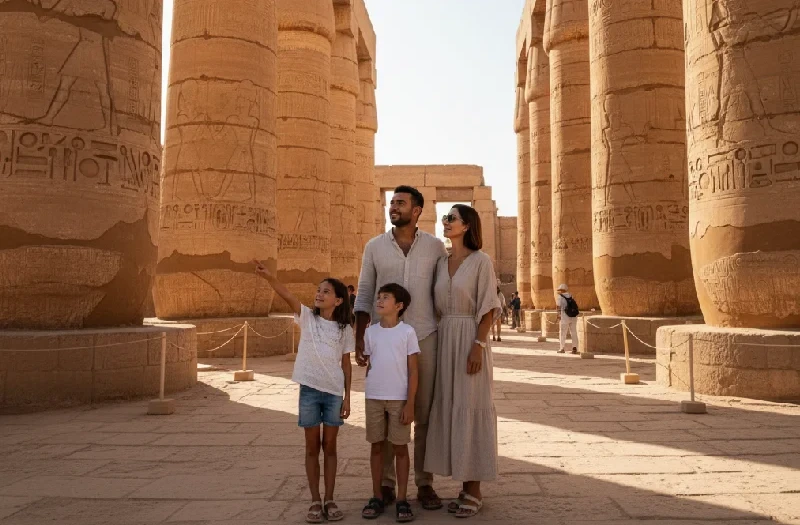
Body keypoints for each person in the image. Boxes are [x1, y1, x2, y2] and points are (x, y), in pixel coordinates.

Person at [354, 185, 448, 510]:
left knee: (423, 414)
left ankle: (424, 483)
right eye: (391, 202)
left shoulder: (436, 247)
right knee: (387, 410)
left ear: (417, 210)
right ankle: (386, 486)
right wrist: (359, 338)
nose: (393, 207)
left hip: (425, 337)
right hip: (386, 341)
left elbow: (443, 294)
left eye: (400, 203)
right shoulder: (374, 247)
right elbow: (365, 291)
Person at [253, 260, 352, 524]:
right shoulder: (307, 318)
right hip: (309, 390)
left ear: (339, 301)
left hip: (332, 393)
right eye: (318, 290)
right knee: (311, 448)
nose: (319, 294)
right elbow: (287, 295)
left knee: (330, 447)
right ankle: (314, 500)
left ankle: (330, 499)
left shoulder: (344, 329)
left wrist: (348, 397)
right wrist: (270, 278)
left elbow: (346, 364)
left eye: (326, 291)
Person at [425, 204, 501, 519]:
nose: (445, 223)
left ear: (467, 225)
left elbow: (487, 307)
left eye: (451, 218)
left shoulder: (481, 262)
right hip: (446, 338)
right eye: (444, 218)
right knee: (451, 406)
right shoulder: (441, 262)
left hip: (470, 336)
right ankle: (462, 484)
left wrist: (478, 345)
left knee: (472, 405)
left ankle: (475, 489)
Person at [361, 283, 419, 523]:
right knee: (376, 446)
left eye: (386, 297)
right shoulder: (370, 332)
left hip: (398, 398)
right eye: (379, 297)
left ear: (399, 306)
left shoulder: (407, 332)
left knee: (400, 447)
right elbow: (370, 363)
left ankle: (403, 498)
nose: (380, 300)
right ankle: (377, 495)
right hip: (374, 395)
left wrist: (410, 403)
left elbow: (414, 371)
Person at [556, 283, 579, 354]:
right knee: (574, 332)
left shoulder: (560, 297)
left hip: (564, 317)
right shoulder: (571, 296)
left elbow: (558, 307)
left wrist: (558, 316)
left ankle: (562, 348)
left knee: (563, 333)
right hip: (573, 316)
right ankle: (575, 348)